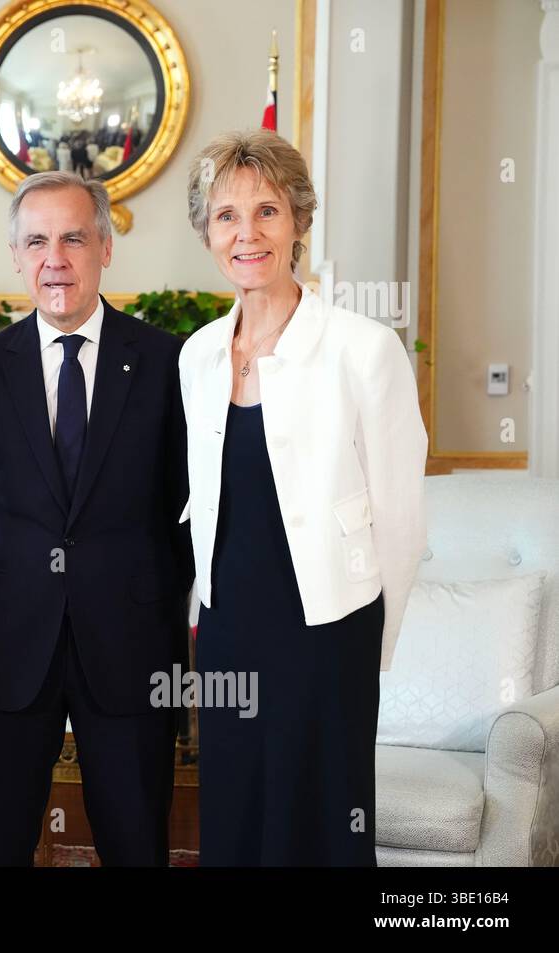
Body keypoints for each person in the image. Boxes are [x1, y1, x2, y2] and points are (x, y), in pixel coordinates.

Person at [179, 129, 427, 865]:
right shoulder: (195, 355)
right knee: (234, 808)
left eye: (266, 211)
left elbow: (402, 521)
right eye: (226, 216)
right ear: (207, 233)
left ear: (298, 224)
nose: (246, 233)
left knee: (322, 816)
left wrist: (370, 643)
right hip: (225, 629)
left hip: (329, 626)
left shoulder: (364, 348)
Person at [0, 171, 193, 866]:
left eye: (74, 237)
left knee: (137, 842)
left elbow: (184, 511)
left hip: (132, 643)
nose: (56, 258)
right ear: (17, 256)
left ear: (106, 248)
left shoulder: (170, 364)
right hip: (6, 642)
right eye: (37, 241)